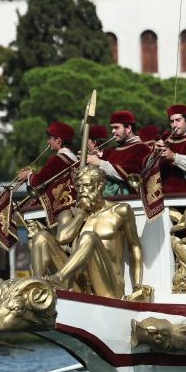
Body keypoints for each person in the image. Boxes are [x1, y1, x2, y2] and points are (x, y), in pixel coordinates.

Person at [30, 165, 152, 302]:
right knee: (41, 237)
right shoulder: (69, 214)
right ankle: (35, 287)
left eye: (87, 186)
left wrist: (137, 287)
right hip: (78, 284)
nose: (82, 191)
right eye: (78, 187)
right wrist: (80, 216)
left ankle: (58, 278)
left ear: (100, 186)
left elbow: (134, 246)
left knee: (89, 237)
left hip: (108, 286)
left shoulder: (120, 211)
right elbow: (62, 238)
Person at [88, 110, 152, 196]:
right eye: (112, 128)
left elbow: (128, 174)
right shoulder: (113, 150)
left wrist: (99, 162)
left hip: (129, 202)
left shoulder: (141, 148)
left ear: (128, 129)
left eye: (116, 127)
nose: (113, 131)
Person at [18, 121, 77, 190]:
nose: (48, 141)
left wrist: (28, 175)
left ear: (58, 140)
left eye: (50, 138)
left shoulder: (57, 159)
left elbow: (37, 182)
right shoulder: (74, 157)